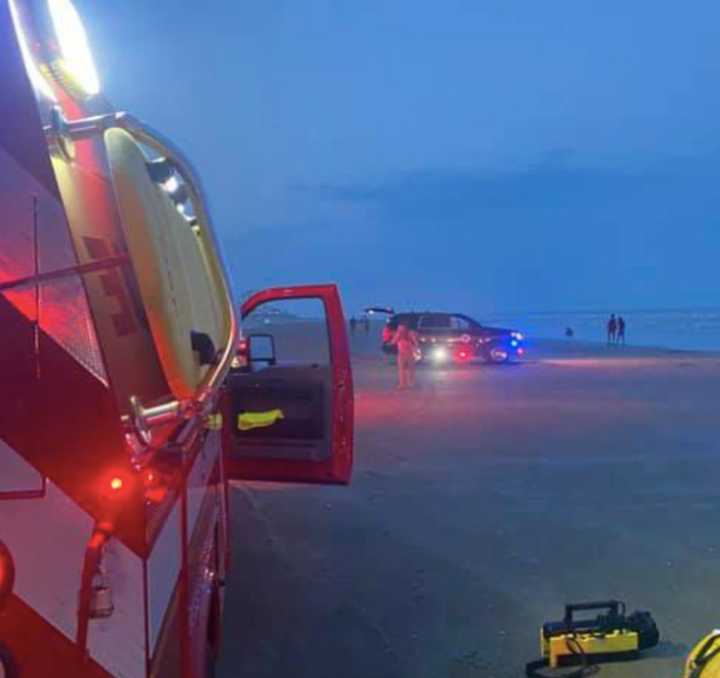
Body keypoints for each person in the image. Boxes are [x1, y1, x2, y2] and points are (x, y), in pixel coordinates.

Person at [391, 323, 418, 389]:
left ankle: (410, 383)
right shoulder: (398, 334)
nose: (400, 330)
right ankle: (402, 384)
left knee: (410, 369)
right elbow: (393, 342)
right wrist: (397, 336)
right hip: (401, 353)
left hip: (409, 353)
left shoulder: (410, 333)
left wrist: (415, 349)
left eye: (401, 328)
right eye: (399, 328)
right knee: (401, 369)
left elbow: (415, 343)